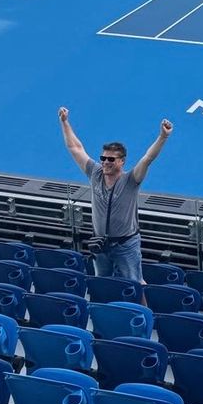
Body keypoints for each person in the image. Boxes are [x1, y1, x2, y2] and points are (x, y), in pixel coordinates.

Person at [58, 107, 172, 282]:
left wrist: (163, 137)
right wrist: (64, 122)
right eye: (103, 158)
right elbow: (75, 147)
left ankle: (144, 302)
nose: (105, 162)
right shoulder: (95, 173)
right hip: (100, 243)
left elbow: (147, 158)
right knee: (102, 283)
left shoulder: (131, 180)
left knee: (135, 283)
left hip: (126, 245)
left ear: (122, 161)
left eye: (111, 159)